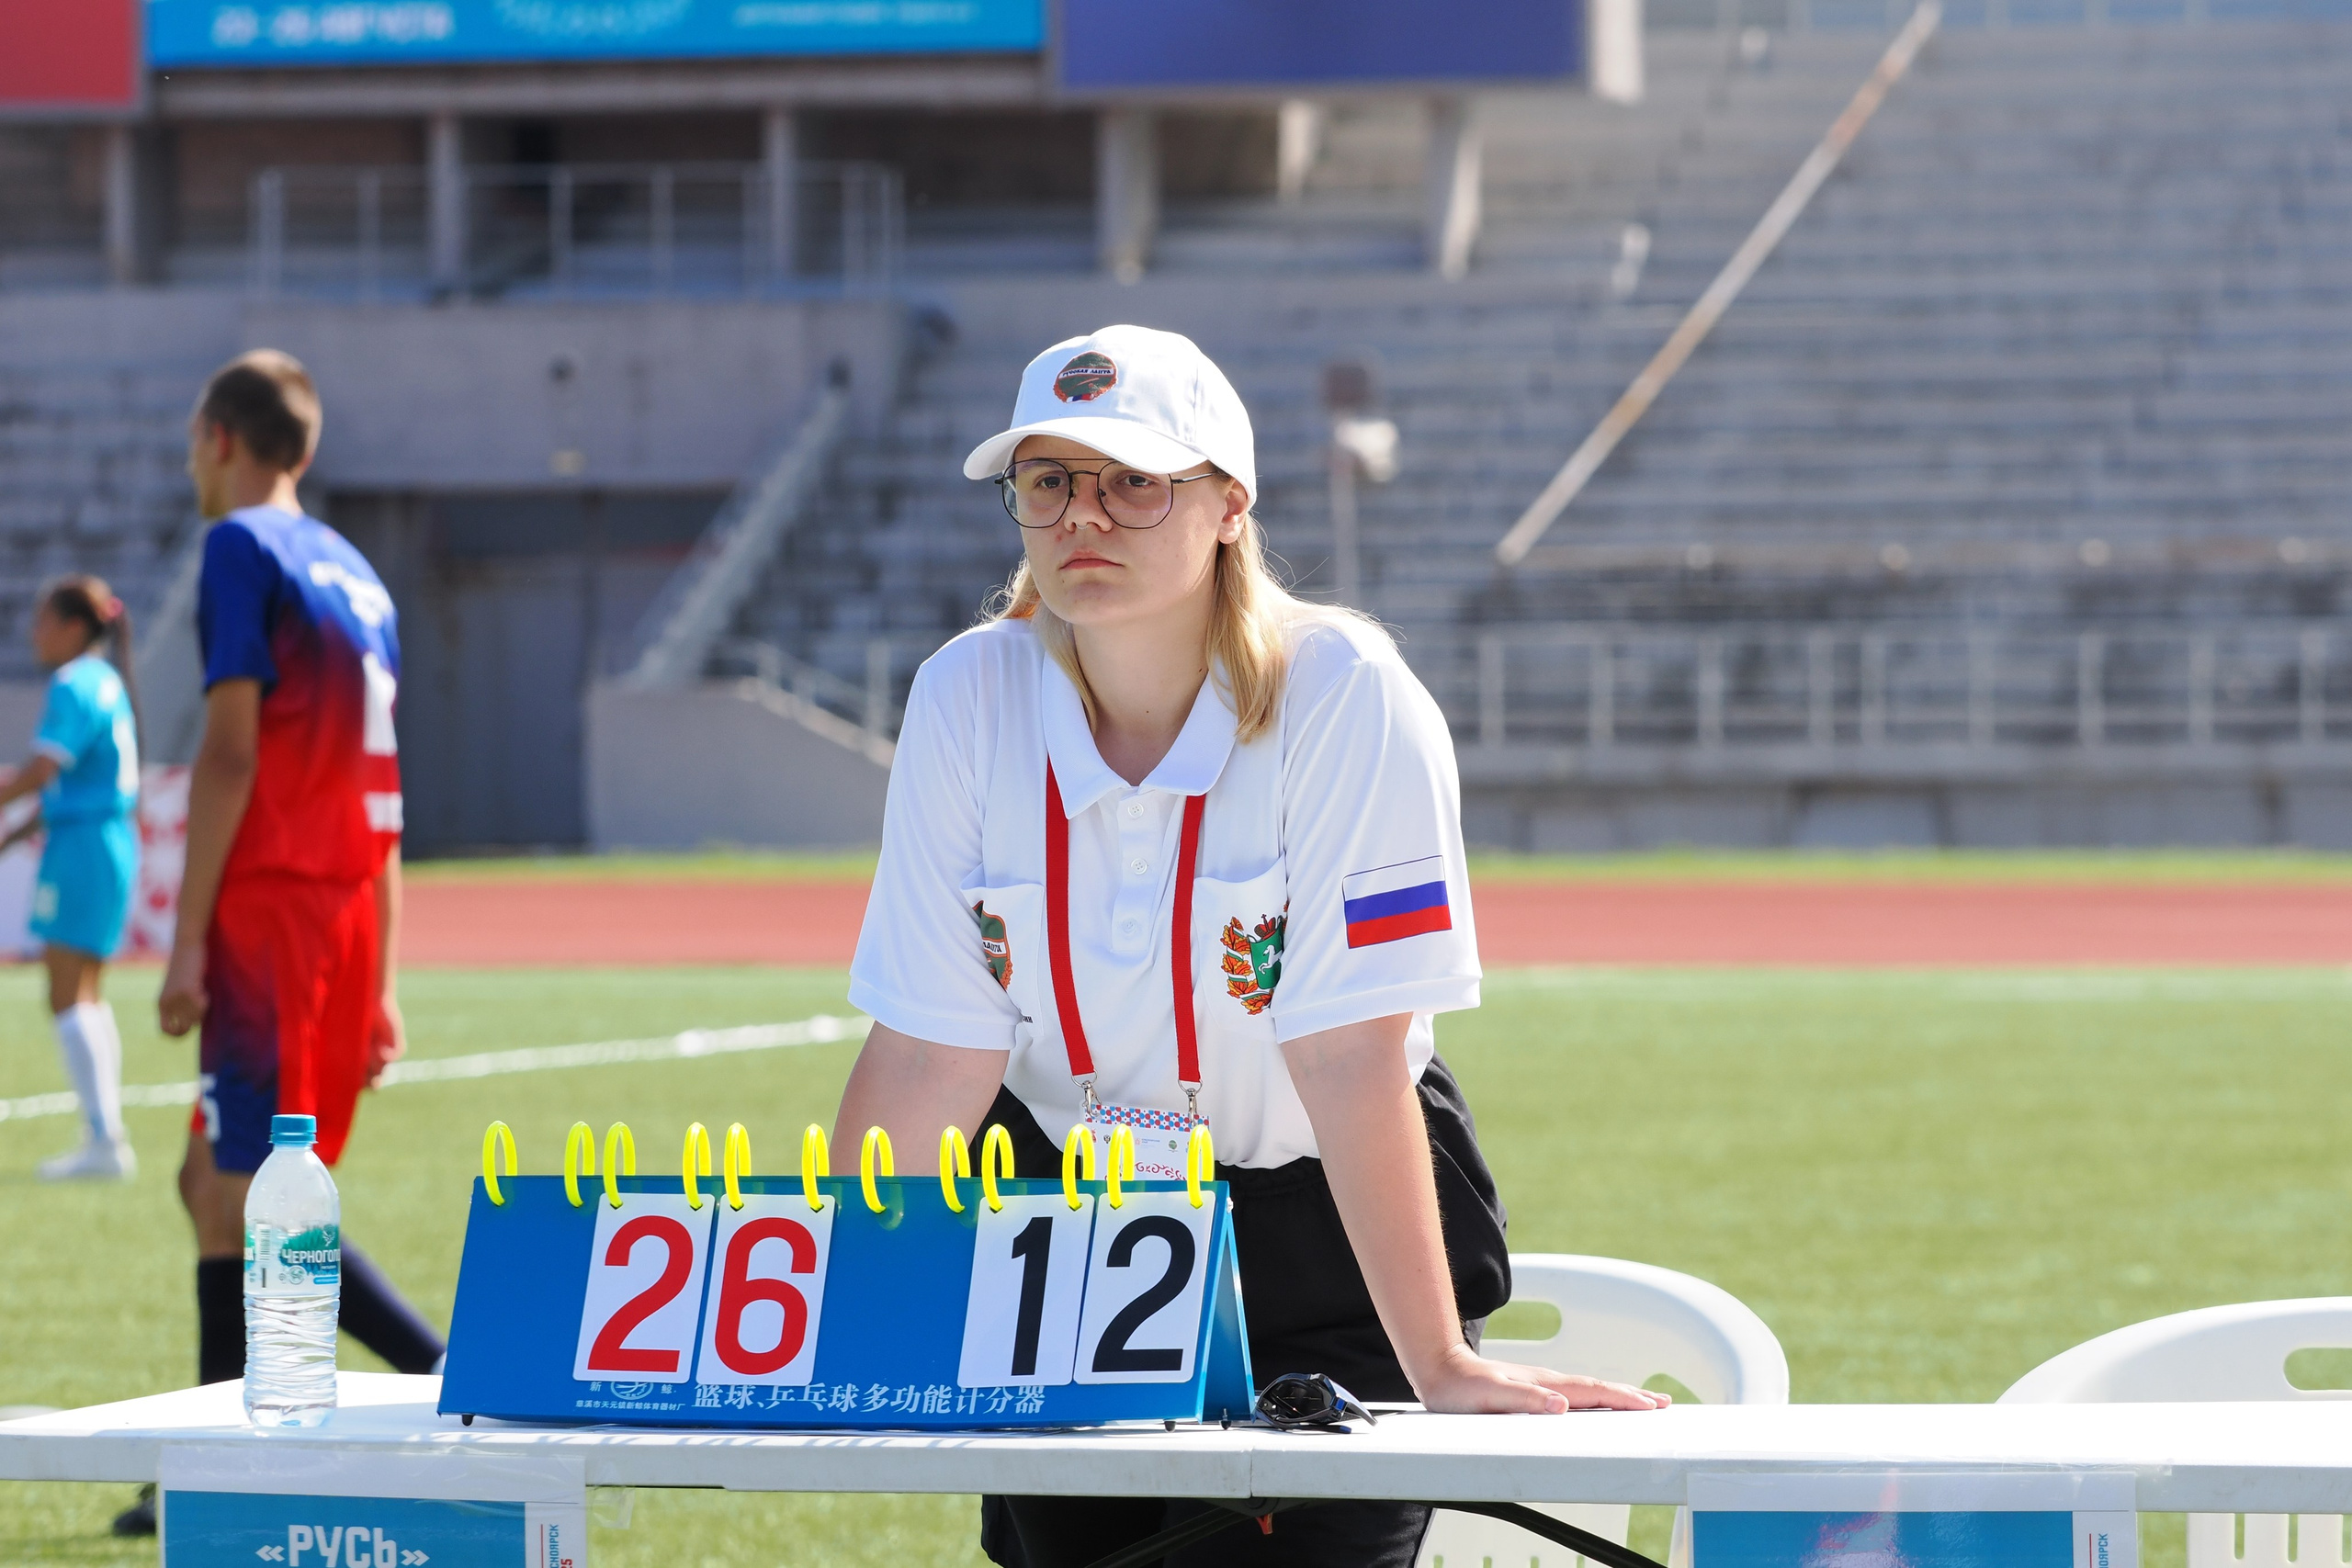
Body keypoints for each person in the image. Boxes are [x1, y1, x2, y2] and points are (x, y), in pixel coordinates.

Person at [836, 324, 1668, 1568]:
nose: (1084, 517)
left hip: (1325, 1227)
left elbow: (1350, 1054)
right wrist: (833, 1312)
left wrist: (1439, 1362)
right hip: (1072, 1227)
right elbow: (927, 1054)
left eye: (1133, 481)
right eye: (1047, 481)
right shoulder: (966, 694)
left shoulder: (1347, 692)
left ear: (1228, 504)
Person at [112, 350, 446, 1539]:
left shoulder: (237, 548)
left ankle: (436, 1369)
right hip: (348, 904)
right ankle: (200, 1453)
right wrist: (387, 975)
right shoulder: (359, 572)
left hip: (274, 909)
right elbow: (388, 791)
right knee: (209, 1182)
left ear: (217, 435)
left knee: (253, 1190)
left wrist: (187, 937)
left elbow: (233, 750)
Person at [0, 576, 142, 1181]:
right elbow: (61, 782)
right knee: (85, 989)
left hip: (84, 845)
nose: (34, 632)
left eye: (44, 620)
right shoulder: (105, 680)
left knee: (65, 991)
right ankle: (106, 1133)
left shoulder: (73, 682)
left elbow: (39, 770)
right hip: (105, 839)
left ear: (75, 627)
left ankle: (103, 1139)